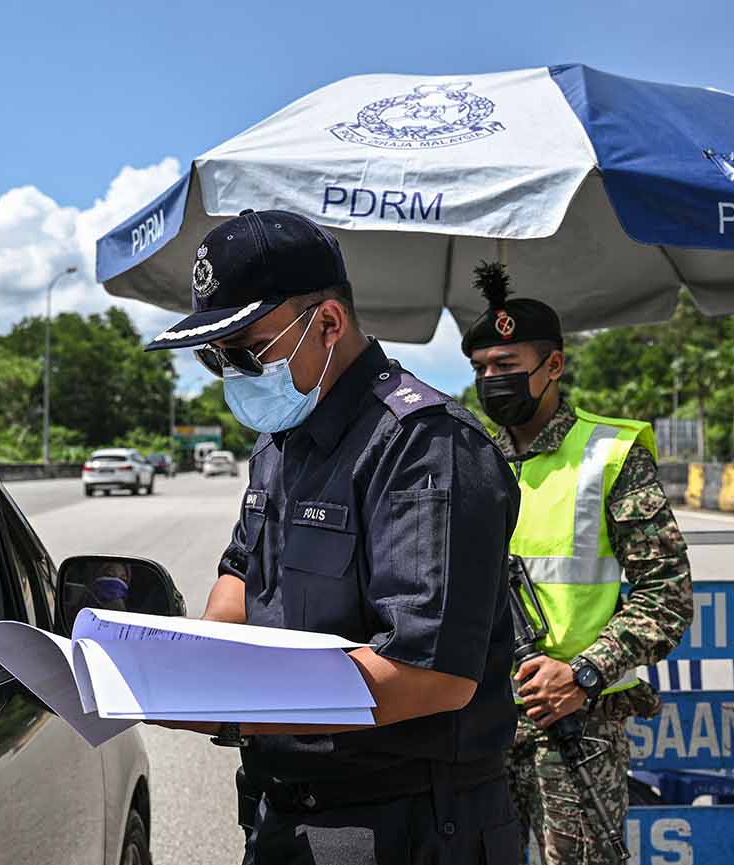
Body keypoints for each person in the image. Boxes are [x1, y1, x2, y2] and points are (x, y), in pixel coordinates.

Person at [144, 209, 523, 865]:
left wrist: (226, 706)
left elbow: (425, 675)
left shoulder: (425, 447)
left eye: (245, 349)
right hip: (287, 811)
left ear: (326, 323)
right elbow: (242, 576)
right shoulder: (280, 442)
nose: (231, 370)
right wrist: (181, 663)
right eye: (214, 356)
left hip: (408, 825)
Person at [460, 263, 694, 865]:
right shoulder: (464, 460)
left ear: (553, 366)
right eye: (481, 369)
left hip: (575, 724)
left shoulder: (609, 453)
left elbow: (665, 596)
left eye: (506, 366)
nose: (491, 381)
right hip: (476, 722)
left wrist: (584, 673)